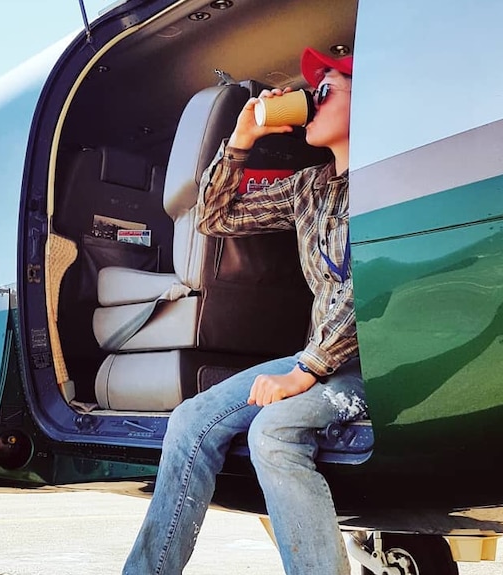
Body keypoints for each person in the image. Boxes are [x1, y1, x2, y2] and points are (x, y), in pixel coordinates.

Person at [122, 47, 364, 575]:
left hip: (375, 364)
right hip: (320, 363)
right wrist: (242, 140)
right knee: (189, 420)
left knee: (271, 430)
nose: (312, 98)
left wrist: (306, 372)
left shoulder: (396, 179)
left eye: (329, 89)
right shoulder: (311, 187)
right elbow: (213, 215)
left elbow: (372, 289)